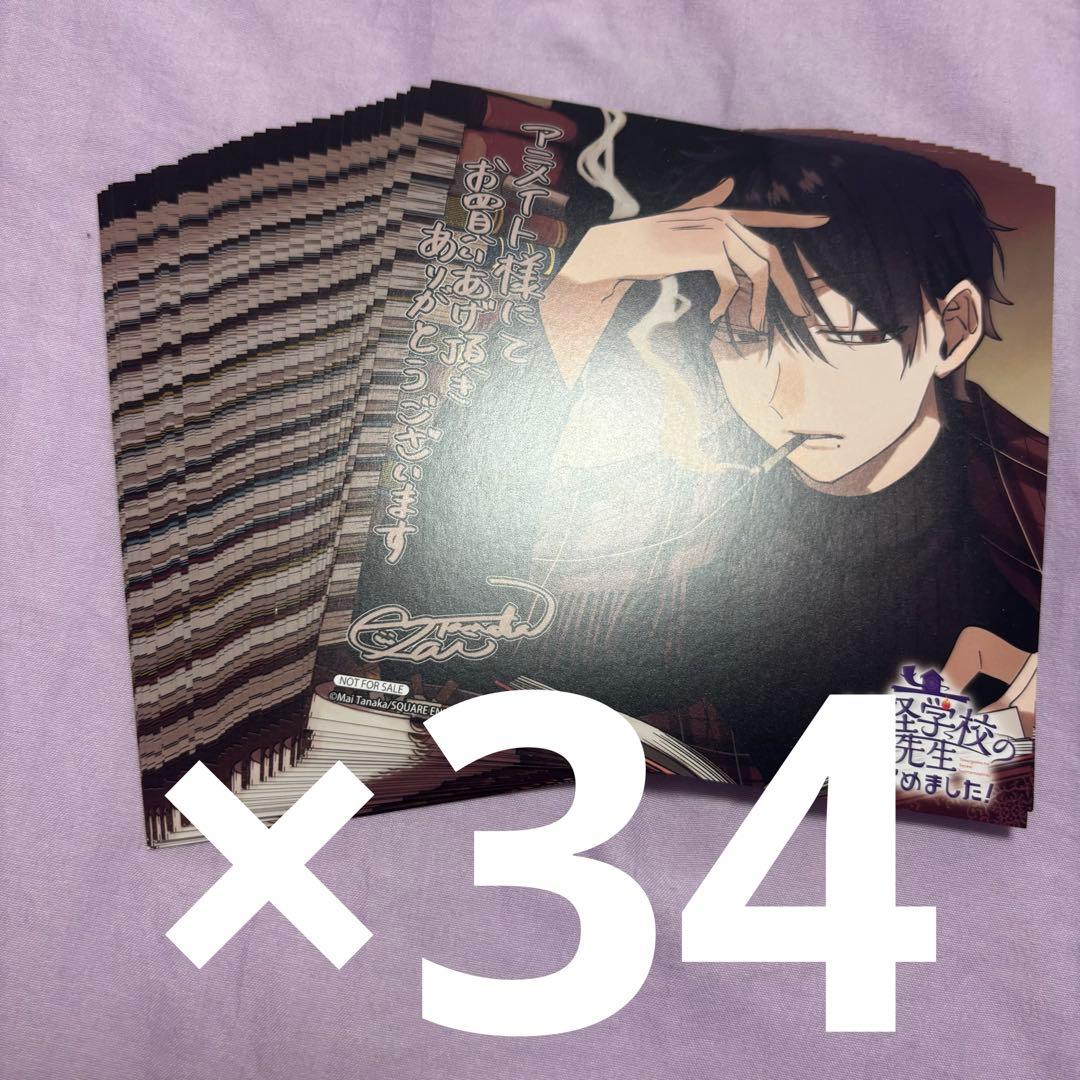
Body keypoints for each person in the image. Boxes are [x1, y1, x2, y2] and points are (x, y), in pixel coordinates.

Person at [531, 131, 1043, 781]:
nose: (784, 395)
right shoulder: (684, 493)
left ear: (955, 328)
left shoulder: (1040, 502)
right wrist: (584, 281)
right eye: (742, 336)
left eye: (838, 334)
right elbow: (469, 621)